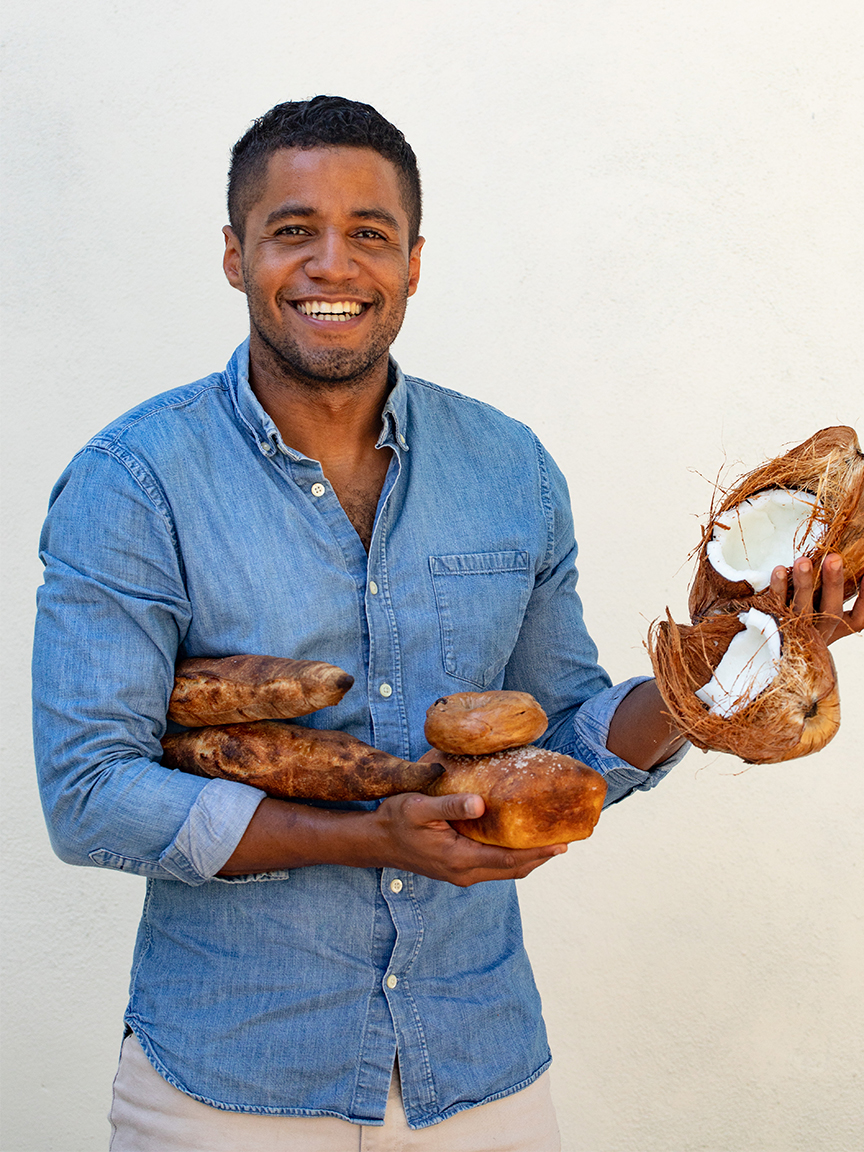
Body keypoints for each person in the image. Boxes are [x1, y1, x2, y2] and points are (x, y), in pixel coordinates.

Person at [32, 96, 862, 1152]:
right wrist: (362, 839)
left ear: (414, 263)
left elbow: (563, 738)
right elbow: (90, 792)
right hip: (227, 1084)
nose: (334, 265)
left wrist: (736, 670)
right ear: (235, 256)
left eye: (369, 234)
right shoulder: (134, 483)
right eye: (294, 231)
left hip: (477, 1073)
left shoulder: (510, 470)